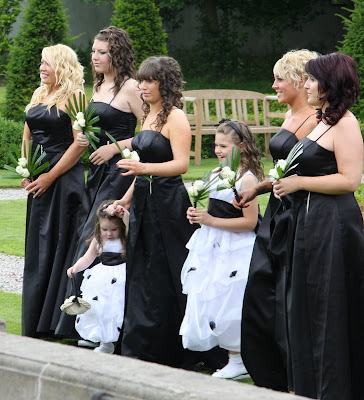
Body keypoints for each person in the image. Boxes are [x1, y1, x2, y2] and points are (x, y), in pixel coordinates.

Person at [270, 53, 364, 400]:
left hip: (334, 226)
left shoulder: (346, 124)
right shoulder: (323, 120)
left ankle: (336, 388)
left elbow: (350, 180)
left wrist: (299, 184)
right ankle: (310, 386)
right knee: (306, 304)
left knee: (331, 306)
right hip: (310, 223)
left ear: (329, 84)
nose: (305, 85)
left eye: (310, 80)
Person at [109, 56, 202, 368]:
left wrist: (143, 167)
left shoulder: (175, 117)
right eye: (141, 80)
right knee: (142, 269)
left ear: (166, 83)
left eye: (150, 80)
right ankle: (142, 341)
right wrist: (125, 200)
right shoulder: (148, 115)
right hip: (145, 201)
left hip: (168, 203)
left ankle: (173, 345)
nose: (143, 86)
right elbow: (141, 173)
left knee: (166, 269)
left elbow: (181, 165)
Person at [236, 49, 319, 390]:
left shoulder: (315, 119)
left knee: (283, 290)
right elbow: (284, 169)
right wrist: (260, 189)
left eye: (280, 79)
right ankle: (269, 368)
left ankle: (293, 370)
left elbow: (311, 169)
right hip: (277, 207)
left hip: (298, 213)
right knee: (261, 285)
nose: (274, 85)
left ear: (301, 81)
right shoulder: (290, 115)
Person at [55, 26, 143, 339]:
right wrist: (85, 138)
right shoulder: (99, 85)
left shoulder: (131, 87)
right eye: (93, 51)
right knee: (92, 237)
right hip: (95, 173)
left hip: (119, 171)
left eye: (101, 52)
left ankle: (91, 323)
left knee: (90, 237)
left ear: (116, 54)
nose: (94, 57)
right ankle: (88, 324)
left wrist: (114, 146)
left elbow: (152, 133)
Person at [180, 120, 264, 379]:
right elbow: (214, 208)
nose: (218, 150)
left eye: (224, 146)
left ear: (241, 146)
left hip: (235, 247)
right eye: (215, 145)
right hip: (213, 242)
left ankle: (239, 358)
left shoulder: (246, 178)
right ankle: (227, 355)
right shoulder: (218, 173)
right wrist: (198, 214)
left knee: (231, 301)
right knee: (211, 297)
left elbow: (250, 222)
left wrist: (211, 220)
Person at [21, 44, 85, 337]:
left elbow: (78, 145)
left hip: (64, 179)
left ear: (61, 65)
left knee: (59, 243)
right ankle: (36, 319)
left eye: (46, 63)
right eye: (41, 63)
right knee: (38, 247)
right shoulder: (38, 93)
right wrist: (27, 169)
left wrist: (50, 175)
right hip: (39, 178)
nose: (41, 68)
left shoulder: (75, 96)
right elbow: (28, 134)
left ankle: (56, 323)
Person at [66, 200, 129, 354]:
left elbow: (130, 224)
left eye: (114, 229)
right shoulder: (98, 240)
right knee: (99, 308)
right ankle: (100, 338)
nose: (109, 233)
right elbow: (88, 258)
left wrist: (123, 213)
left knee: (115, 309)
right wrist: (76, 267)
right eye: (105, 229)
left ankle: (113, 341)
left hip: (120, 277)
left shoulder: (125, 239)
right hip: (101, 278)